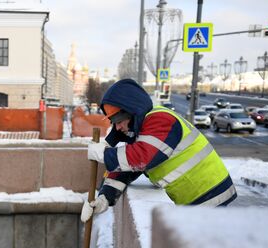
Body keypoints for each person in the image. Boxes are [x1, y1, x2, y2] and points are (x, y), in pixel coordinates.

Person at [81, 78, 237, 223]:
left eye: (118, 121)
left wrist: (104, 154)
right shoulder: (142, 131)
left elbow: (141, 157)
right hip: (195, 200)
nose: (117, 127)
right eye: (112, 122)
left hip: (209, 195)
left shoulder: (161, 120)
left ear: (133, 112)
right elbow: (128, 168)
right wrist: (104, 199)